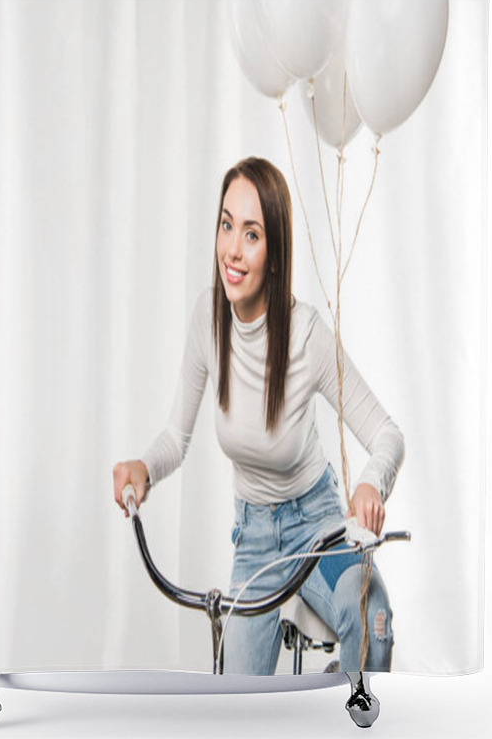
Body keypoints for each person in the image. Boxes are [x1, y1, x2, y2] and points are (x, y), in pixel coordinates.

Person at [113, 156, 404, 675]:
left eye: (252, 234)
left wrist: (370, 486)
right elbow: (175, 439)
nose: (233, 248)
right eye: (227, 225)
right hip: (254, 541)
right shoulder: (209, 318)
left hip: (317, 528)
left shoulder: (306, 336)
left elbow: (387, 434)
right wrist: (143, 467)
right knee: (238, 708)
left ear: (274, 253)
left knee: (373, 615)